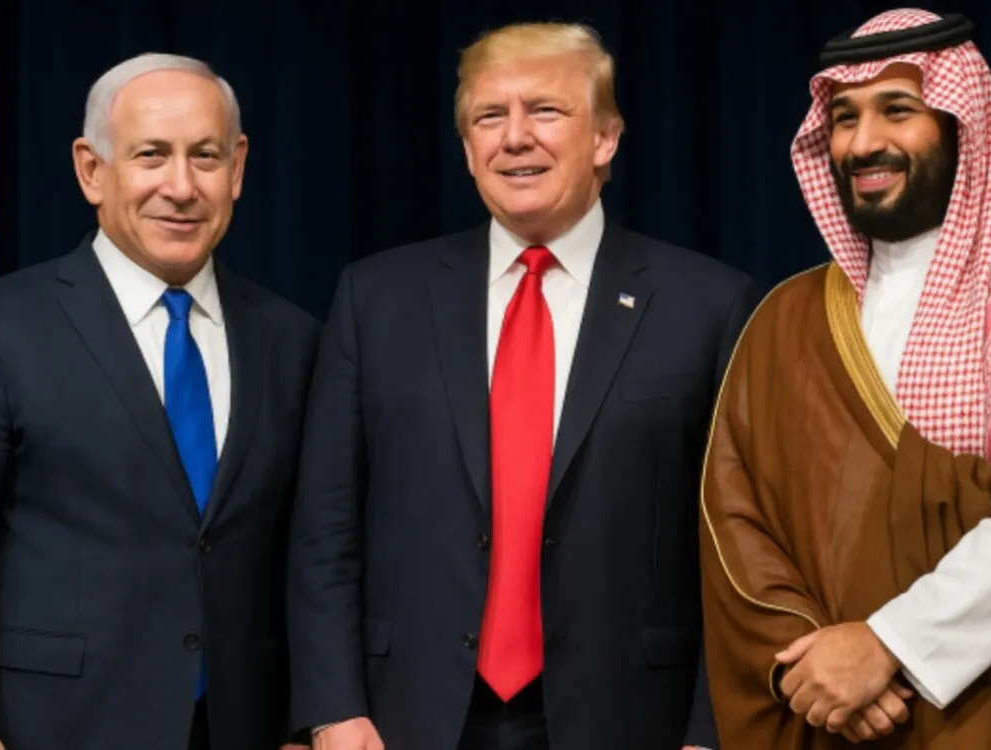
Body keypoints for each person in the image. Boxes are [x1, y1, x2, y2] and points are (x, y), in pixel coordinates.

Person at [286, 21, 761, 750]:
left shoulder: (709, 306)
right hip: (406, 717)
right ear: (467, 148)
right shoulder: (374, 299)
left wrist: (709, 731)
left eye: (545, 110)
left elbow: (737, 547)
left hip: (633, 719)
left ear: (605, 138)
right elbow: (326, 527)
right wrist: (333, 708)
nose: (515, 137)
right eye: (489, 116)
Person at [699, 8, 991, 749]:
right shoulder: (785, 319)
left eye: (897, 110)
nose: (863, 142)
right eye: (844, 118)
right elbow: (736, 521)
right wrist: (816, 666)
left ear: (961, 126)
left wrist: (888, 646)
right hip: (829, 719)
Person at [0, 53, 319, 750]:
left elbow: (310, 555)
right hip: (55, 727)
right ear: (92, 170)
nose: (181, 186)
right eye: (151, 155)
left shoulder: (293, 339)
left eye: (205, 156)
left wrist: (309, 717)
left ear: (237, 168)